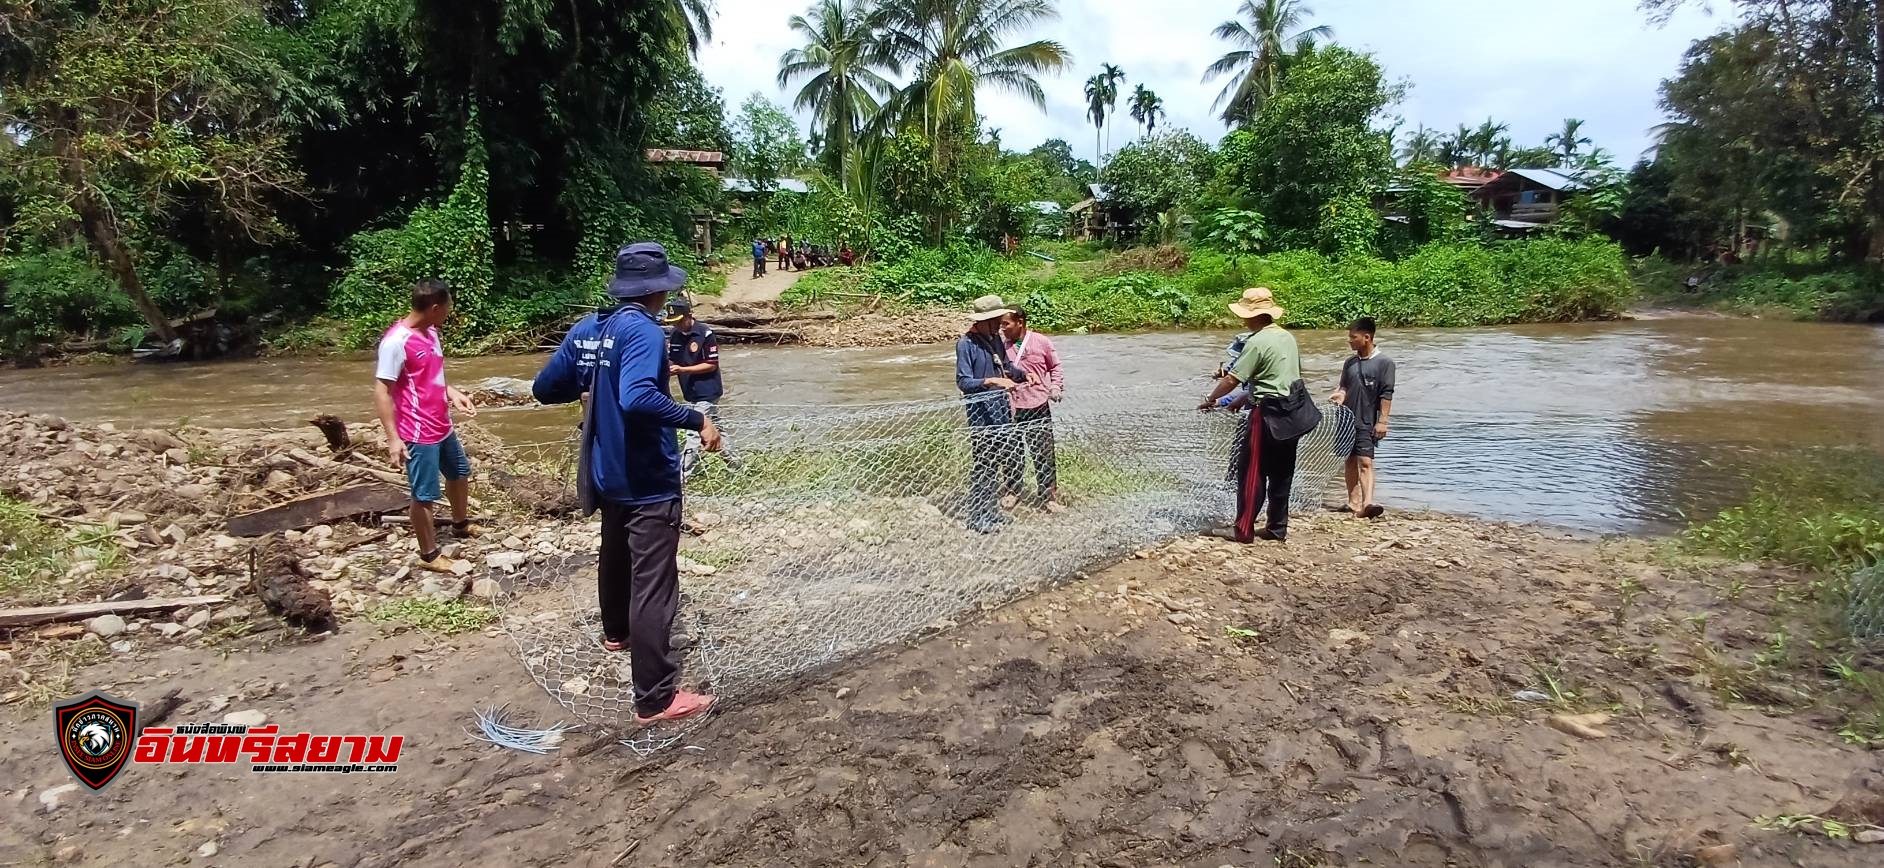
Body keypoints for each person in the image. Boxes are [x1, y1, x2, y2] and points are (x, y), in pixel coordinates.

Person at [532, 242, 721, 725]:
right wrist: (694, 419)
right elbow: (638, 397)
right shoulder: (644, 333)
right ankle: (656, 697)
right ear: (660, 290)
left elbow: (544, 388)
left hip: (605, 469)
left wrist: (590, 378)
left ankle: (617, 632)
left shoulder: (591, 328)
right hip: (645, 474)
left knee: (614, 551)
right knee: (654, 580)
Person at [374, 279, 481, 574]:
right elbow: (382, 391)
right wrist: (393, 438)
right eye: (447, 307)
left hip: (441, 423)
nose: (449, 312)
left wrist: (453, 393)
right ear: (435, 308)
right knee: (424, 494)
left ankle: (460, 524)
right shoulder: (396, 342)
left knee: (459, 473)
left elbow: (431, 374)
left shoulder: (431, 332)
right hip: (417, 431)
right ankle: (429, 554)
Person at [1199, 287, 1321, 543]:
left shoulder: (1256, 342)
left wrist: (1211, 400)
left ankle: (1242, 530)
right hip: (1293, 412)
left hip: (1266, 414)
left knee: (1251, 471)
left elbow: (1232, 379)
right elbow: (1280, 377)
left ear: (1251, 316)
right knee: (1282, 472)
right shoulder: (1287, 337)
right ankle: (1277, 529)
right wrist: (1243, 398)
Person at [956, 294, 1030, 533]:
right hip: (980, 415)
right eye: (996, 320)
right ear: (981, 322)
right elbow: (964, 382)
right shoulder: (966, 344)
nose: (1000, 324)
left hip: (1000, 411)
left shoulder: (995, 340)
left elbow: (1006, 367)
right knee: (983, 465)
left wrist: (1023, 375)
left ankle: (991, 511)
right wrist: (992, 381)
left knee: (996, 463)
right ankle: (977, 516)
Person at [1329, 316, 1395, 518]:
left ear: (1367, 337)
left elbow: (1386, 394)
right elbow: (1344, 386)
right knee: (1349, 460)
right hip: (1346, 418)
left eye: (1353, 337)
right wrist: (1340, 395)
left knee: (1366, 461)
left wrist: (1382, 421)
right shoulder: (1350, 362)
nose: (1350, 341)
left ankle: (1368, 503)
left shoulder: (1385, 363)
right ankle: (1352, 502)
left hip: (1367, 420)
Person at [1001, 307, 1064, 510]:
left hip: (1037, 404)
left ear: (1020, 322)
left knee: (1043, 453)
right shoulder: (1001, 347)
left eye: (1006, 324)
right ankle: (1013, 491)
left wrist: (1055, 386)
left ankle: (1048, 496)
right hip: (1011, 406)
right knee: (1011, 452)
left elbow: (1055, 367)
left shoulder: (1041, 342)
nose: (1002, 329)